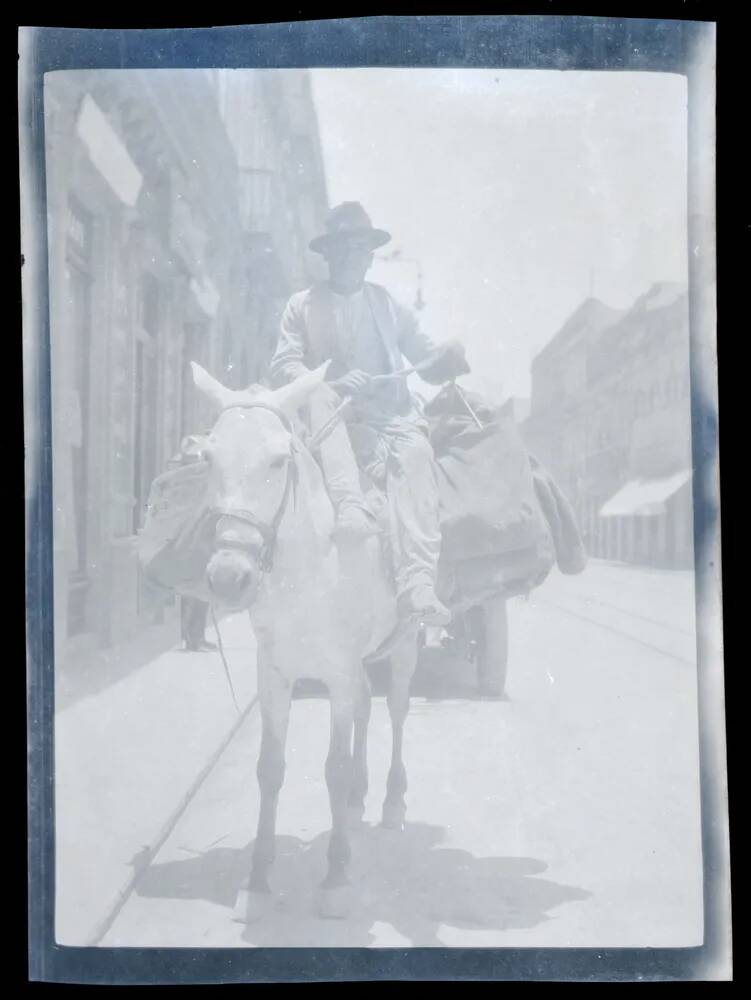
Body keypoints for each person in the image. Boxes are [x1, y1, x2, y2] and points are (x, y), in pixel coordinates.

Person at [269, 201, 469, 626]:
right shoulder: (301, 306)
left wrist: (445, 357)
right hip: (327, 421)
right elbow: (283, 364)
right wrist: (330, 381)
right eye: (342, 249)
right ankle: (349, 508)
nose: (350, 258)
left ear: (369, 257)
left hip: (388, 422)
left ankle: (417, 584)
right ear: (328, 256)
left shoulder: (389, 306)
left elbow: (424, 356)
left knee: (417, 457)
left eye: (359, 249)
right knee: (318, 396)